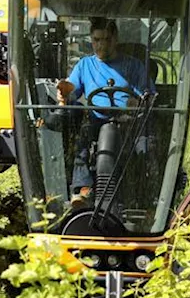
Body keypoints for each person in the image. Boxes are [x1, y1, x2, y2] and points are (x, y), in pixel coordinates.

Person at [56, 18, 153, 209]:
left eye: (106, 39)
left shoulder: (133, 66)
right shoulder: (85, 65)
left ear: (115, 39)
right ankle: (83, 189)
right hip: (95, 119)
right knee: (81, 140)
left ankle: (145, 195)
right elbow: (72, 90)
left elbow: (148, 95)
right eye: (96, 39)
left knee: (146, 148)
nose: (101, 44)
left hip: (128, 121)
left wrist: (138, 102)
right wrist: (64, 90)